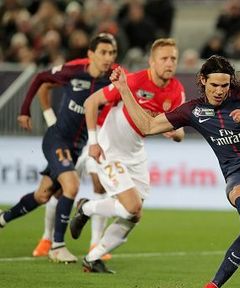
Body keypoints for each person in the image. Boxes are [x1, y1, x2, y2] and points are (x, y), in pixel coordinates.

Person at [104, 55, 240, 288]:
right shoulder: (193, 110)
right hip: (235, 170)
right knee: (238, 191)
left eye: (224, 86)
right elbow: (148, 126)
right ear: (202, 81)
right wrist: (124, 89)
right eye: (214, 85)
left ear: (231, 84)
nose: (219, 91)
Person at [68, 38, 186, 273]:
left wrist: (174, 132)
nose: (169, 63)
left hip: (136, 153)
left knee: (134, 215)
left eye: (173, 58)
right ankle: (87, 208)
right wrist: (93, 143)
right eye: (164, 58)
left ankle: (93, 258)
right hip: (109, 149)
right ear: (152, 61)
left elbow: (180, 131)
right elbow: (92, 102)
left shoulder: (176, 91)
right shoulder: (132, 81)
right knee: (131, 206)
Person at [0, 33, 118, 263]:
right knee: (71, 185)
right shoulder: (74, 72)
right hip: (56, 139)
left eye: (112, 53)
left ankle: (3, 218)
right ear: (91, 54)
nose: (108, 57)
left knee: (43, 195)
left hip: (75, 148)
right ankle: (57, 246)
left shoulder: (113, 80)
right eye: (103, 52)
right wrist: (26, 110)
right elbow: (40, 79)